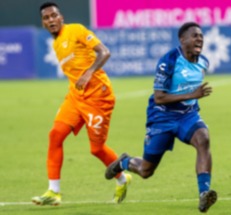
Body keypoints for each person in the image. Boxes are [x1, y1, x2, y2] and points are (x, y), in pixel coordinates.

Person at [105, 22, 217, 213]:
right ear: (182, 40)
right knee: (146, 171)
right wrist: (192, 95)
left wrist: (192, 102)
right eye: (195, 36)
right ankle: (124, 162)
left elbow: (191, 92)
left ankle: (204, 194)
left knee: (203, 139)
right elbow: (159, 97)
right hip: (162, 117)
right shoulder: (169, 61)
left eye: (201, 36)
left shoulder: (203, 62)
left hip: (187, 115)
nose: (200, 39)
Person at [32, 2, 131, 206]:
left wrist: (89, 73)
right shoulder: (56, 43)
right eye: (46, 18)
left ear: (61, 17)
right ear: (43, 23)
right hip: (76, 97)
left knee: (96, 149)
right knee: (55, 135)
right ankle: (53, 191)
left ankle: (122, 177)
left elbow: (104, 52)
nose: (50, 20)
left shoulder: (76, 30)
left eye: (53, 16)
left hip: (98, 97)